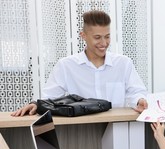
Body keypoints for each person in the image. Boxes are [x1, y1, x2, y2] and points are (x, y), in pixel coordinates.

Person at [11, 10, 148, 117]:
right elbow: (49, 97)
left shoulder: (123, 63)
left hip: (119, 129)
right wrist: (35, 104)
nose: (104, 43)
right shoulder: (66, 65)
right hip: (81, 133)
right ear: (83, 36)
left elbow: (136, 92)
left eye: (107, 36)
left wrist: (140, 100)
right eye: (97, 37)